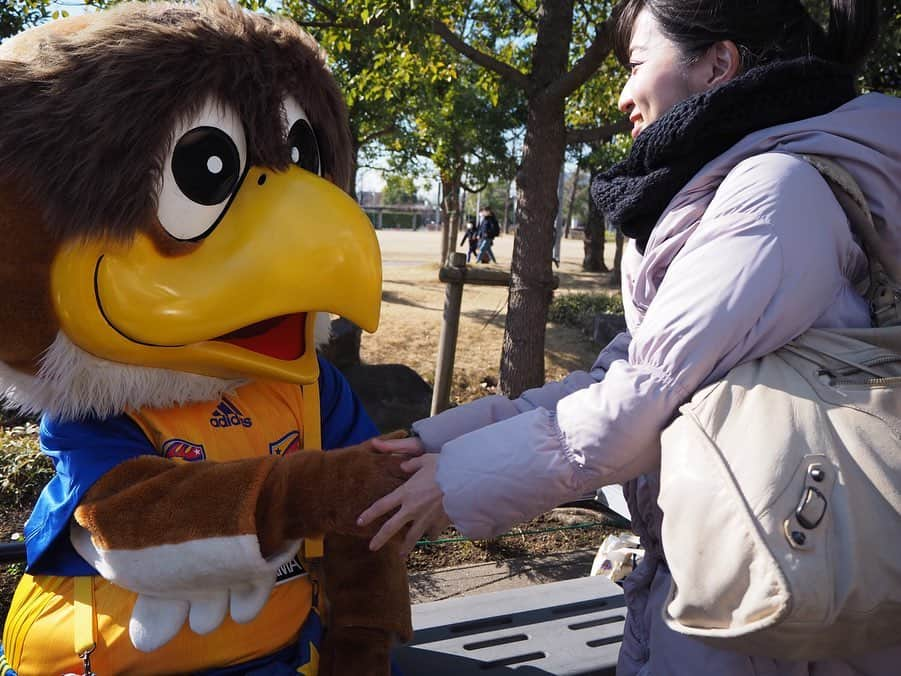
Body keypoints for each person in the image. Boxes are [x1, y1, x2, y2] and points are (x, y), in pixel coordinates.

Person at [360, 1, 901, 674]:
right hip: (742, 564)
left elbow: (643, 402)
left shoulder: (772, 193)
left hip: (768, 594)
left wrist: (452, 483)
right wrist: (433, 444)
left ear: (717, 63)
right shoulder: (732, 191)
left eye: (636, 64)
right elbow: (621, 377)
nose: (619, 95)